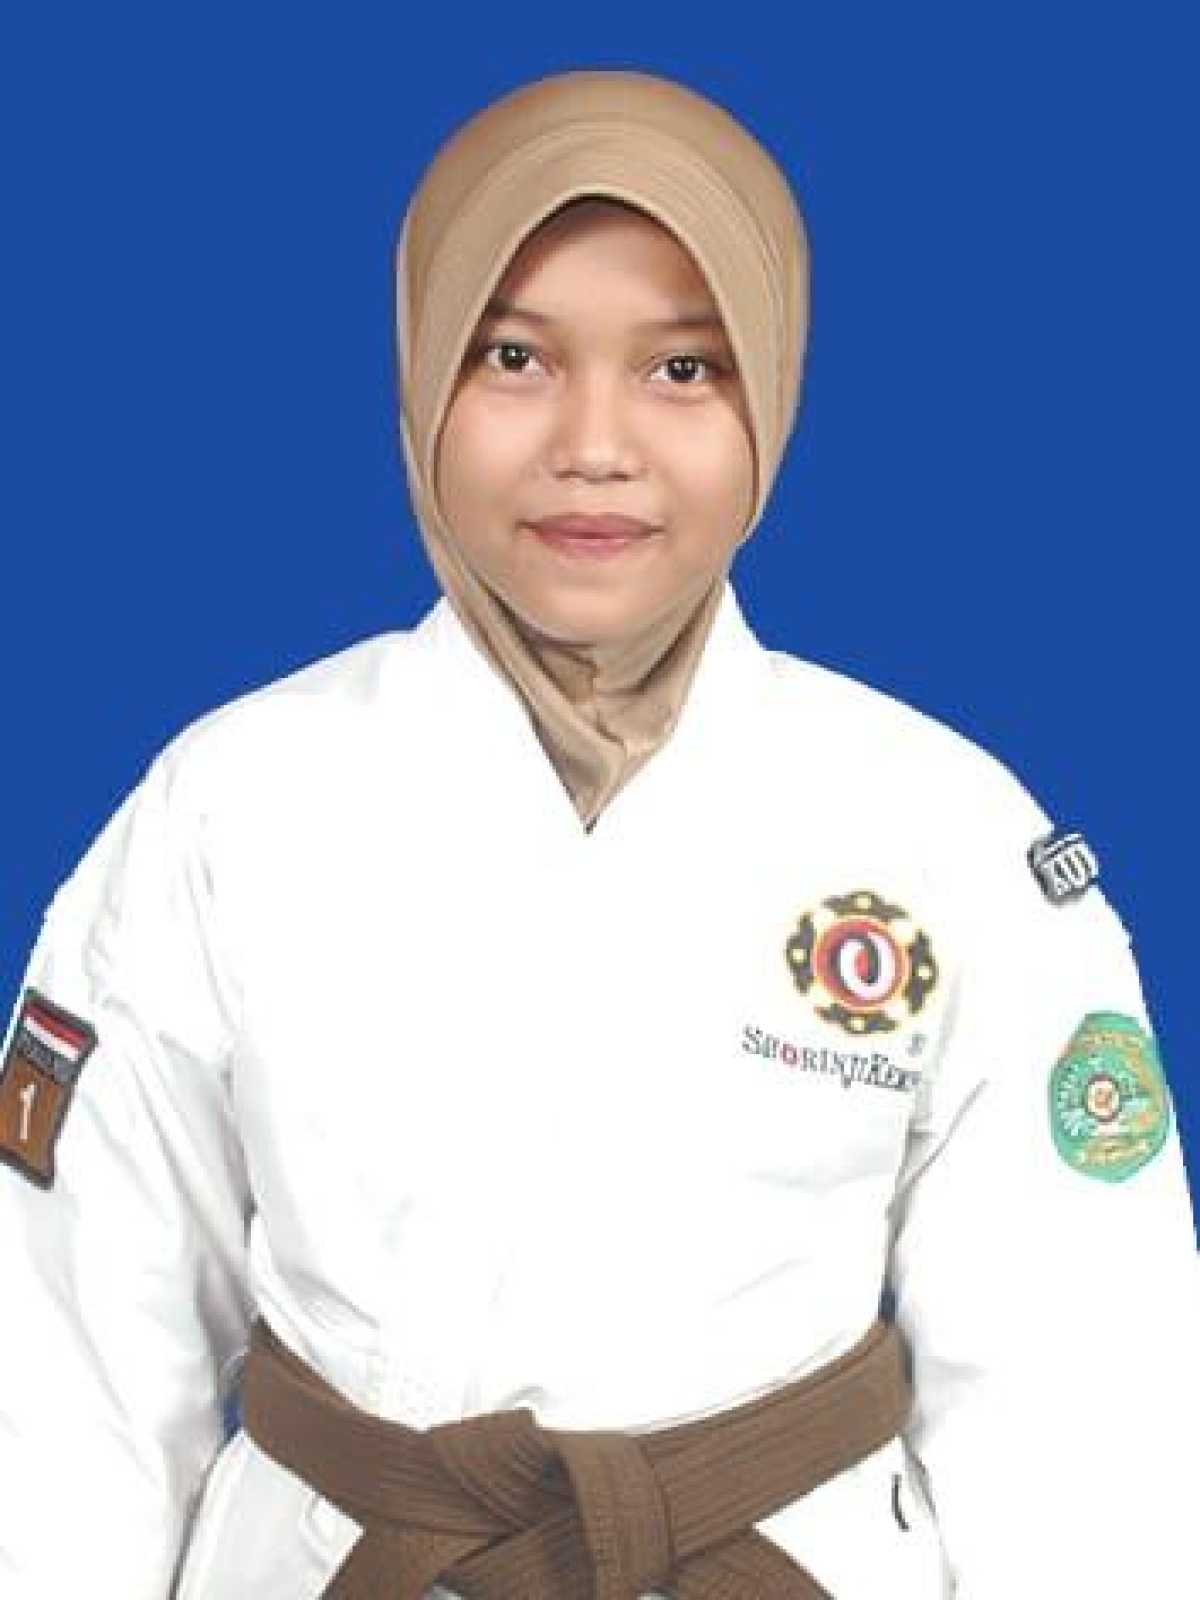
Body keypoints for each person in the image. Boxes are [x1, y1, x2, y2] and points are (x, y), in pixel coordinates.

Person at [0, 67, 1196, 1600]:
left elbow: (1084, 1374)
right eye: (514, 357)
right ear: (420, 373)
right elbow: (68, 1349)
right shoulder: (232, 803)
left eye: (684, 368)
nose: (595, 444)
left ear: (776, 386)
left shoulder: (948, 830)